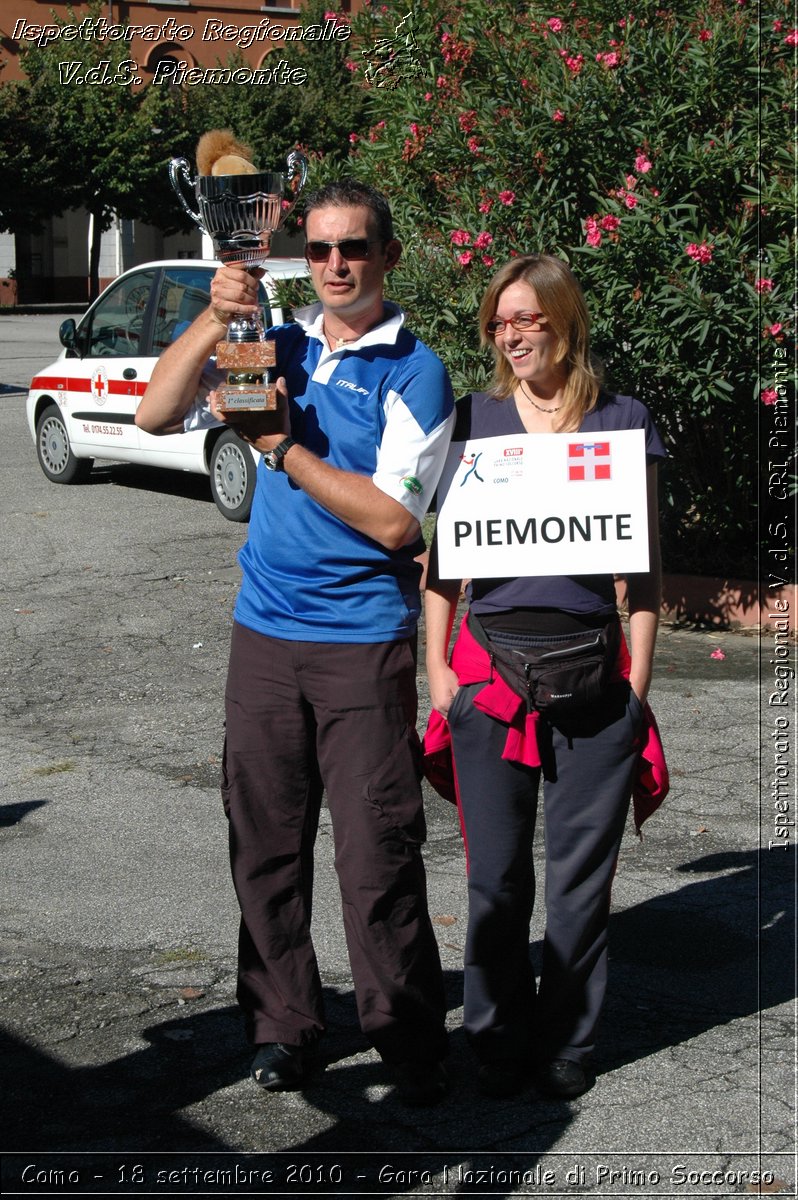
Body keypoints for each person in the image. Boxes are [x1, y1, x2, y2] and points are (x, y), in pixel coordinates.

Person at [136, 179, 455, 1105]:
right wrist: (214, 313)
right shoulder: (275, 345)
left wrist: (282, 448)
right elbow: (157, 413)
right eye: (317, 251)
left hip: (363, 643)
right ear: (301, 260)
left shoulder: (413, 368)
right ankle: (283, 1027)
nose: (336, 265)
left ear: (387, 256)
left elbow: (398, 525)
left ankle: (405, 1039)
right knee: (265, 847)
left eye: (353, 248)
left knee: (377, 854)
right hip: (264, 637)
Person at [424, 253, 665, 1100]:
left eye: (526, 317)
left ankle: (568, 1041)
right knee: (494, 877)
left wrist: (637, 691)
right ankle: (493, 1038)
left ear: (564, 319)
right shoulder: (472, 421)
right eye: (500, 321)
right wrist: (439, 677)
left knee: (579, 882)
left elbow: (645, 574)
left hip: (598, 682)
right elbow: (444, 568)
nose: (511, 333)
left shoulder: (623, 419)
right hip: (489, 680)